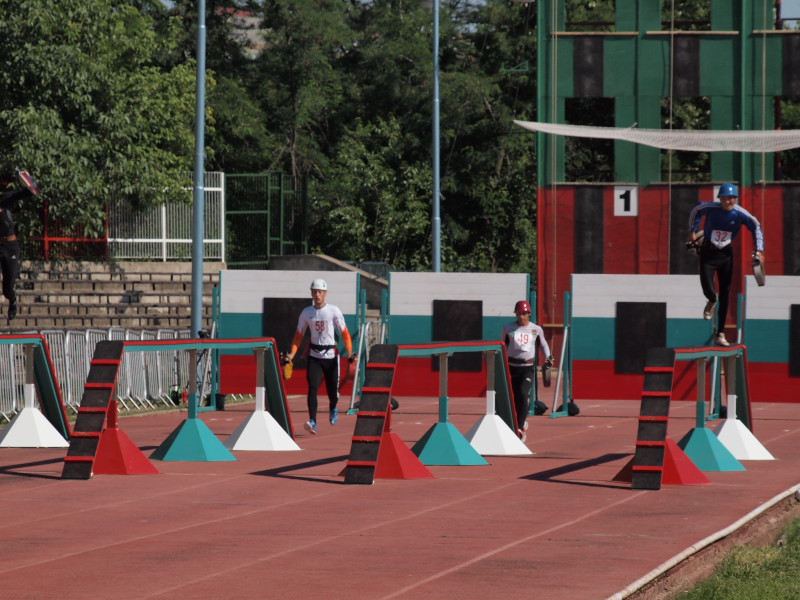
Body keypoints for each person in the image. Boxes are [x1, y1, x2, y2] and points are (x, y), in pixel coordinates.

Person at [687, 183, 764, 347]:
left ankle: (720, 333)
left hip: (726, 255)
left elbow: (756, 227)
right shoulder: (711, 208)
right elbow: (696, 210)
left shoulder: (740, 214)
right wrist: (693, 232)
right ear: (719, 199)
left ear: (736, 199)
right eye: (724, 198)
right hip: (708, 252)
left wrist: (759, 250)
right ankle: (711, 300)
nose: (727, 201)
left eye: (730, 198)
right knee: (708, 287)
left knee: (725, 293)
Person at [285, 278, 357, 434]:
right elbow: (298, 336)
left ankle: (333, 408)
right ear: (311, 293)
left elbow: (344, 333)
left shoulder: (333, 311)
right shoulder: (306, 313)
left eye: (320, 292)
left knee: (332, 392)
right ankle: (313, 421)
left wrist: (350, 352)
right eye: (314, 292)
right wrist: (292, 354)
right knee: (312, 388)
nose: (317, 294)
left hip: (331, 357)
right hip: (314, 356)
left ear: (325, 293)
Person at [501, 300, 553, 442]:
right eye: (519, 313)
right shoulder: (508, 328)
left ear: (529, 313)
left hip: (527, 368)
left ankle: (520, 426)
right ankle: (513, 422)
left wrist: (548, 357)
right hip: (511, 367)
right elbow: (501, 345)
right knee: (512, 397)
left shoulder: (536, 329)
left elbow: (544, 345)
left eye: (524, 313)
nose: (521, 316)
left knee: (523, 394)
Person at [0, 171, 38, 322]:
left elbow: (32, 191)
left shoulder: (5, 199)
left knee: (8, 288)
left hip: (10, 247)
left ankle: (13, 300)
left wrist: (26, 178)